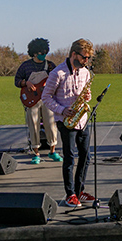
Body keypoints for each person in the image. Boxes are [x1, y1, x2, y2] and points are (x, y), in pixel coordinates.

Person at [41, 38, 95, 208]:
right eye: (84, 58)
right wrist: (62, 110)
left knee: (85, 157)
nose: (86, 61)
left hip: (83, 120)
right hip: (66, 121)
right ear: (74, 54)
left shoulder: (85, 72)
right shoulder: (57, 73)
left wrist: (88, 97)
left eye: (88, 59)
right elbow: (46, 97)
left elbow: (88, 93)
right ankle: (70, 194)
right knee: (70, 158)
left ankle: (80, 191)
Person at [14, 38, 60, 164]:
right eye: (41, 52)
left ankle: (53, 151)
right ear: (34, 53)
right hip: (31, 101)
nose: (43, 54)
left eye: (45, 51)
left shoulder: (50, 66)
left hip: (47, 99)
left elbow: (58, 81)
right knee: (33, 126)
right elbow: (16, 81)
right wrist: (26, 83)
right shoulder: (25, 66)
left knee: (51, 125)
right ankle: (36, 153)